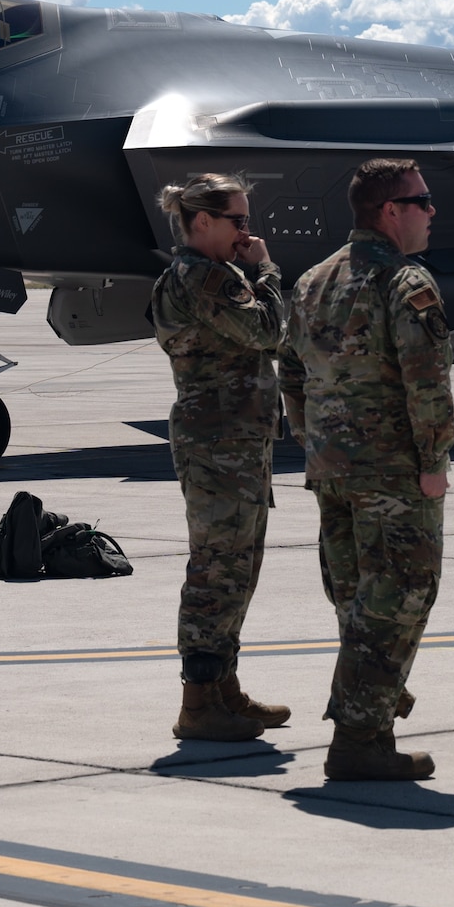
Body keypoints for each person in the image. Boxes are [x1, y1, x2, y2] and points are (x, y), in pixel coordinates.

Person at [280, 158, 452, 780]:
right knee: (400, 597)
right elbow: (426, 383)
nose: (432, 212)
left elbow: (290, 376)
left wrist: (315, 443)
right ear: (390, 212)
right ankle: (357, 738)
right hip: (393, 476)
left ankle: (372, 722)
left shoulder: (313, 281)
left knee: (357, 600)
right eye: (422, 201)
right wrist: (433, 462)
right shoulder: (405, 284)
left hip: (334, 472)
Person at [151, 173, 289, 742]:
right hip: (220, 446)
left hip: (231, 442)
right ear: (201, 221)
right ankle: (200, 701)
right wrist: (268, 271)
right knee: (216, 571)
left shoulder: (206, 274)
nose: (246, 233)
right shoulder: (206, 276)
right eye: (237, 221)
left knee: (237, 568)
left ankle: (223, 688)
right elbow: (271, 330)